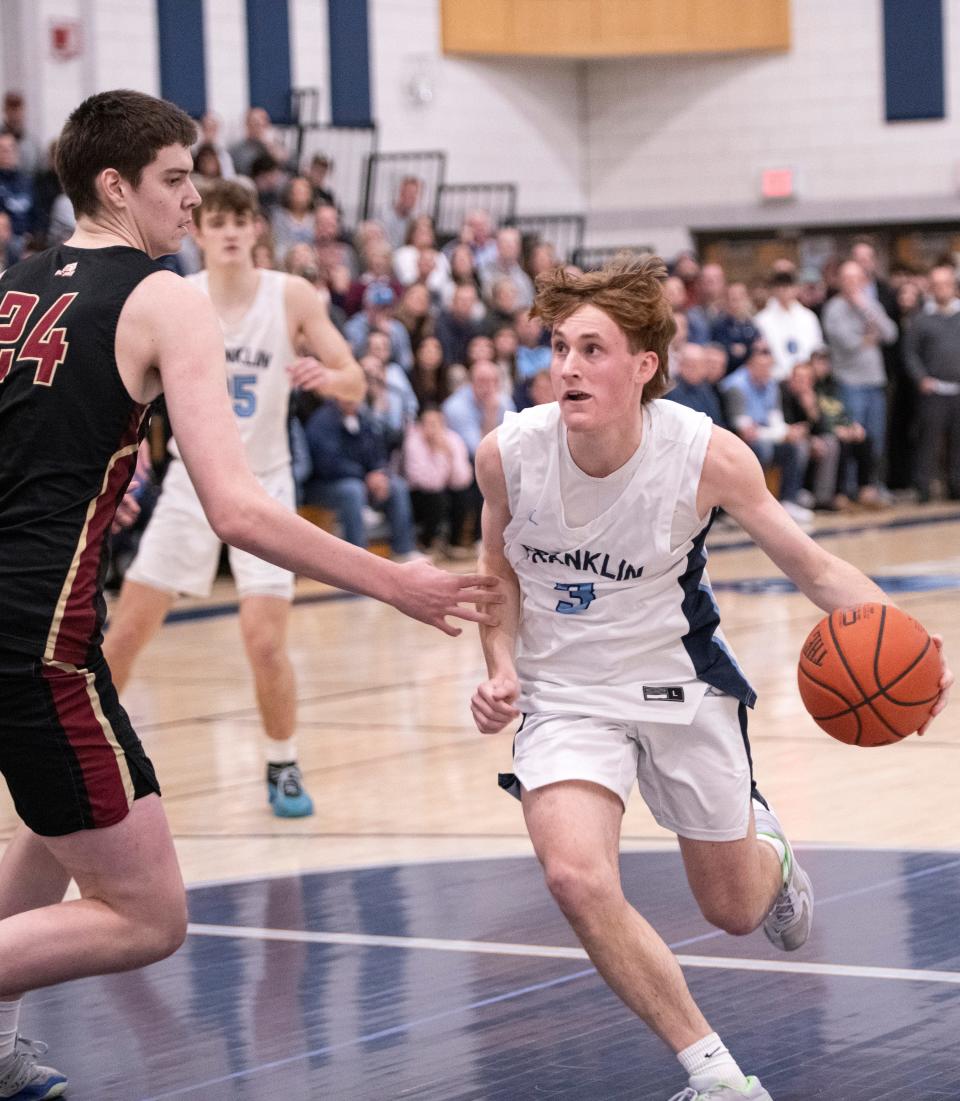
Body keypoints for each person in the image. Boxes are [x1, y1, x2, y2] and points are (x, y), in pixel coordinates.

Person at [0, 89, 500, 1097]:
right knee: (148, 915)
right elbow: (237, 509)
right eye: (177, 179)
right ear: (116, 185)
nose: (193, 201)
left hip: (16, 613)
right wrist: (391, 579)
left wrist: (95, 451)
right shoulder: (167, 298)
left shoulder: (16, 282)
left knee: (57, 834)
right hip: (37, 635)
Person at [467, 255, 953, 1101]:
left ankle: (769, 848)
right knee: (576, 875)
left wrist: (912, 642)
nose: (569, 367)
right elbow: (495, 576)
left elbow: (811, 567)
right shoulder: (507, 455)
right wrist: (501, 667)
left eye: (593, 348)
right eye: (559, 347)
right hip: (566, 695)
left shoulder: (706, 455)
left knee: (731, 908)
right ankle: (717, 1074)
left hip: (678, 683)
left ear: (644, 364)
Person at [103, 175, 362, 818]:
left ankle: (283, 764)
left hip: (264, 484)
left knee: (265, 643)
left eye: (237, 221)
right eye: (213, 221)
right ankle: (96, 760)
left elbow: (355, 381)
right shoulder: (172, 297)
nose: (225, 232)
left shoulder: (291, 295)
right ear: (197, 230)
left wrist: (327, 378)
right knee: (124, 635)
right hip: (190, 487)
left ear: (254, 231)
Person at [902, 263, 960, 502]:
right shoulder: (921, 318)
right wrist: (921, 378)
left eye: (945, 284)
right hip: (933, 389)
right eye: (936, 285)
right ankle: (923, 487)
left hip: (958, 389)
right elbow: (910, 353)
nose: (941, 289)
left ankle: (956, 487)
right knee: (928, 441)